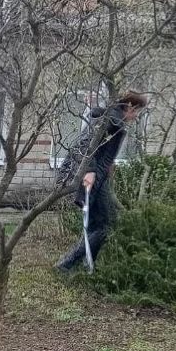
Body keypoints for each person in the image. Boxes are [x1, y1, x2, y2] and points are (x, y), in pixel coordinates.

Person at [55, 91, 149, 273]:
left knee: (97, 224)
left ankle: (85, 265)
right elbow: (85, 144)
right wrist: (89, 170)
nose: (136, 116)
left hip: (99, 175)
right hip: (91, 175)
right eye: (137, 111)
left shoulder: (114, 120)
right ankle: (67, 265)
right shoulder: (110, 120)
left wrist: (108, 165)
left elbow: (101, 149)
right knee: (106, 224)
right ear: (129, 106)